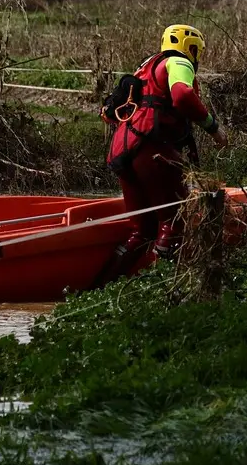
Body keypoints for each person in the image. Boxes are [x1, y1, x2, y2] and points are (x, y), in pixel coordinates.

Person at [97, 24, 228, 282]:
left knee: (142, 231)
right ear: (190, 49)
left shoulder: (144, 68)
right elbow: (182, 97)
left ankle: (102, 286)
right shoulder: (178, 63)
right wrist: (214, 128)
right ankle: (163, 290)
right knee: (174, 222)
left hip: (123, 152)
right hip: (152, 151)